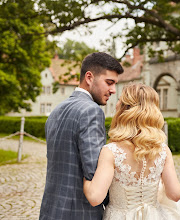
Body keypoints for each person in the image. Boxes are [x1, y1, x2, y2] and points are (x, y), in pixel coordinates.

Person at [83, 83, 180, 219]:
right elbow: (175, 194)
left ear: (124, 109)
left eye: (119, 100)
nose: (116, 104)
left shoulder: (111, 151)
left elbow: (95, 197)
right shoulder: (163, 150)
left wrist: (84, 179)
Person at [39, 52, 124, 220]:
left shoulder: (56, 110)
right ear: (89, 77)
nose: (113, 90)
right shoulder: (91, 111)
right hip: (80, 213)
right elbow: (93, 173)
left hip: (51, 210)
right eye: (109, 82)